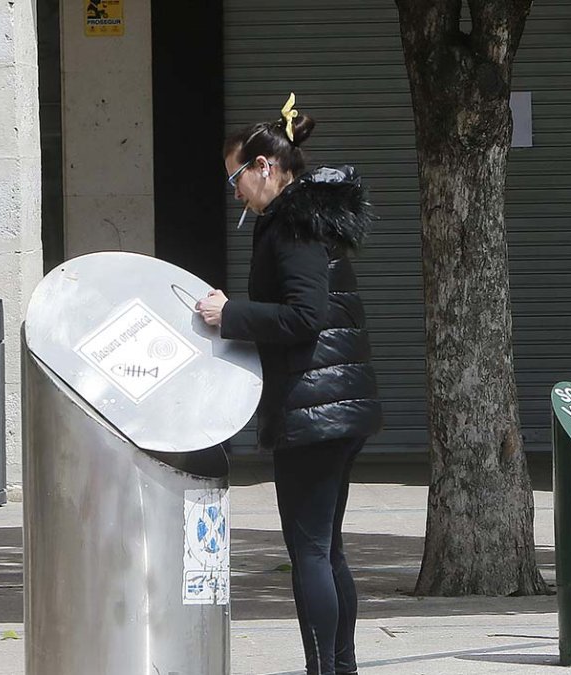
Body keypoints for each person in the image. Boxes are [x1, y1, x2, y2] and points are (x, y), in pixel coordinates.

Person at [196, 94, 383, 675]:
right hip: (331, 405)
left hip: (314, 409)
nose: (234, 194)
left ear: (264, 167)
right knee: (326, 549)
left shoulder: (294, 227)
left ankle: (326, 668)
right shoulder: (301, 217)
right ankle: (340, 667)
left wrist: (231, 314)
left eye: (235, 179)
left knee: (309, 551)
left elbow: (306, 315)